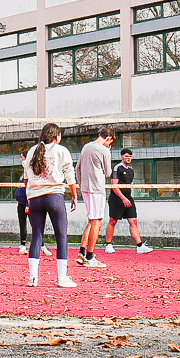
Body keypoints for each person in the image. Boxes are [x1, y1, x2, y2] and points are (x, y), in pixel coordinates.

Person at [21, 123, 79, 287]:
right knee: (61, 236)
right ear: (57, 136)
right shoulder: (62, 150)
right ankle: (62, 278)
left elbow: (26, 177)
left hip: (35, 197)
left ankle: (33, 278)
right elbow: (70, 175)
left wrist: (28, 197)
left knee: (36, 237)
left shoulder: (32, 150)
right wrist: (74, 196)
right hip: (54, 196)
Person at [76, 126, 116, 266]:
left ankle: (82, 252)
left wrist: (81, 185)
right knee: (97, 222)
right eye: (110, 141)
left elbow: (78, 168)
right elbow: (108, 173)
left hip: (86, 188)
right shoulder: (104, 150)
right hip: (97, 189)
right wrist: (108, 153)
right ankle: (90, 256)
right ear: (109, 139)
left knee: (92, 220)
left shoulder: (86, 147)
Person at [104, 149, 152, 253]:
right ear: (122, 157)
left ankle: (139, 246)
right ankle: (108, 245)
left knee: (133, 221)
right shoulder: (117, 168)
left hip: (128, 197)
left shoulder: (131, 170)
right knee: (113, 220)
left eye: (130, 156)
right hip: (117, 198)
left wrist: (127, 198)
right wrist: (123, 198)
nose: (128, 158)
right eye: (126, 156)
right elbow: (114, 186)